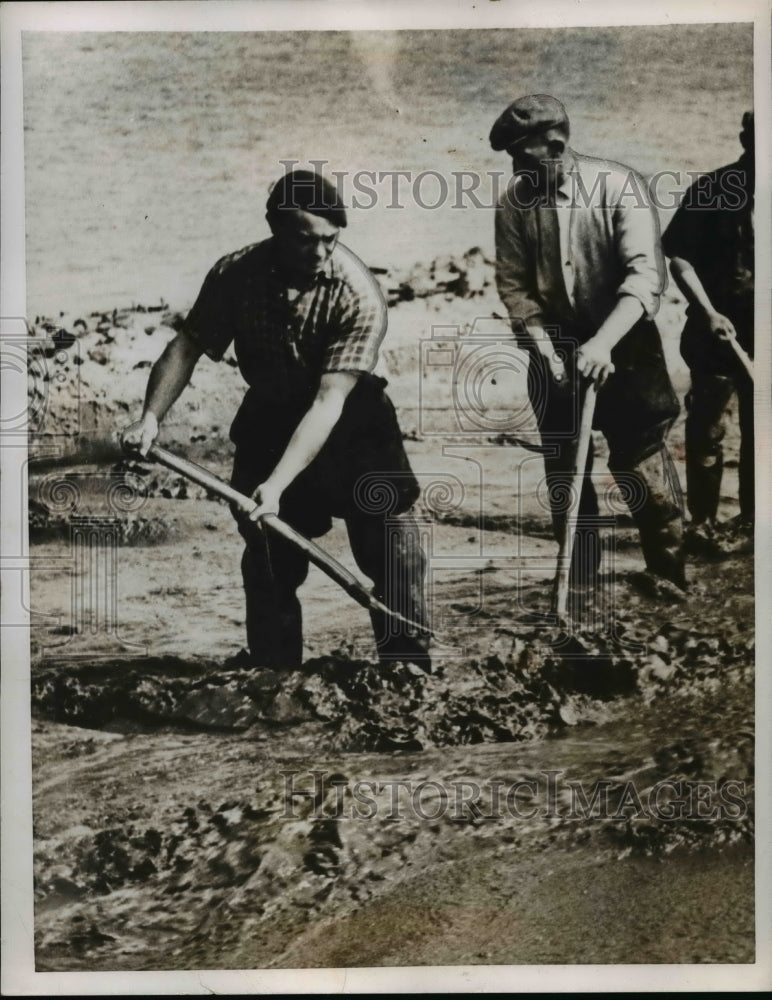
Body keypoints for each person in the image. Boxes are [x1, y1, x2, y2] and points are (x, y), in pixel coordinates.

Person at [122, 169, 430, 670]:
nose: (320, 253)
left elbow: (329, 402)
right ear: (276, 230)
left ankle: (409, 670)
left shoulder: (358, 294)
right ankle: (273, 675)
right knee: (268, 557)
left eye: (331, 240)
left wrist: (277, 485)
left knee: (393, 555)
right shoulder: (235, 274)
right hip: (271, 416)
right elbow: (186, 347)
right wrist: (150, 419)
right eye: (306, 241)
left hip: (354, 423)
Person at [490, 94, 686, 599]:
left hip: (624, 335)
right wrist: (543, 347)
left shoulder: (619, 187)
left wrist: (602, 345)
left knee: (640, 463)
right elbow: (514, 286)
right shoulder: (515, 202)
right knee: (566, 466)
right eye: (512, 160)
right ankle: (580, 588)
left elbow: (645, 278)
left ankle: (669, 577)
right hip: (553, 342)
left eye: (523, 157)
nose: (516, 168)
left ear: (555, 146)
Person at [662, 111, 754, 544]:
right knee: (707, 430)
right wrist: (709, 311)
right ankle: (702, 522)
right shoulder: (713, 188)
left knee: (762, 433)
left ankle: (753, 522)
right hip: (714, 333)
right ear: (744, 137)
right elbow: (679, 257)